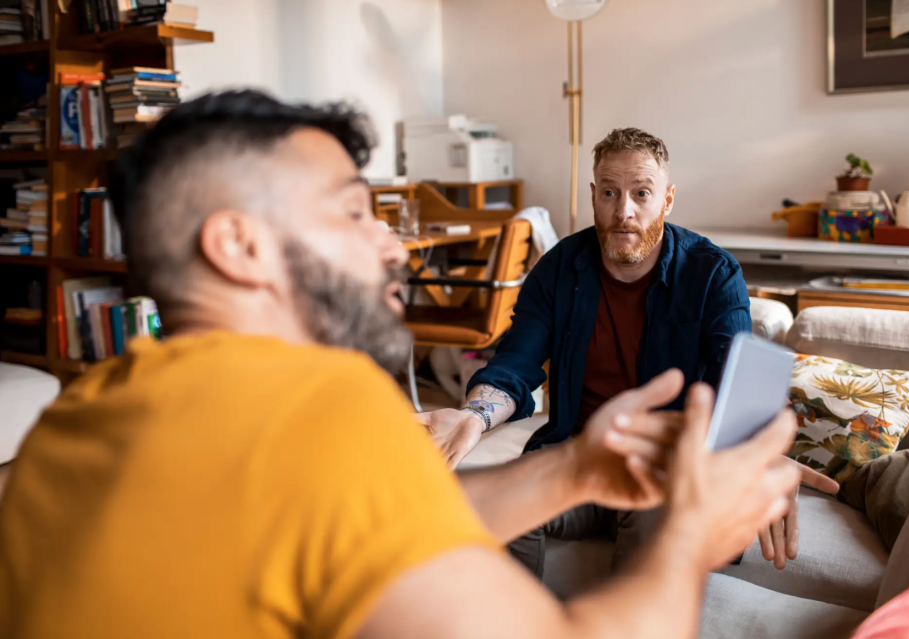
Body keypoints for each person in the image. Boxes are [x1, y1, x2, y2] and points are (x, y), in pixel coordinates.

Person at [0, 91, 801, 639]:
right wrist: (691, 528)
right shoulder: (326, 412)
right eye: (354, 212)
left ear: (666, 198)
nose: (390, 244)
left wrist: (577, 467)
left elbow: (379, 529)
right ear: (239, 245)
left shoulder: (68, 418)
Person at [419, 128, 839, 575]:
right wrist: (476, 415)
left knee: (658, 525)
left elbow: (730, 386)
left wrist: (751, 449)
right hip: (576, 455)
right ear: (593, 195)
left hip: (666, 464)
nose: (624, 211)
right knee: (498, 508)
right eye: (609, 193)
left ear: (668, 199)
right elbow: (515, 364)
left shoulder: (713, 274)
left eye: (641, 193)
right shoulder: (559, 268)